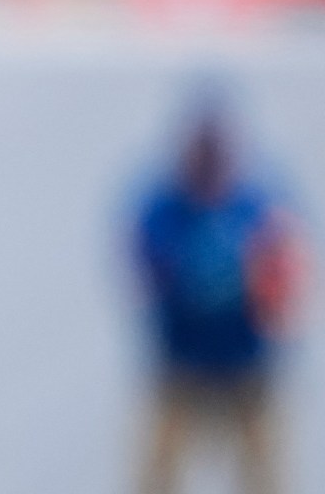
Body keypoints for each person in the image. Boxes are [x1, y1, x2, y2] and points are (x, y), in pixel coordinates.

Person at [133, 101, 303, 494]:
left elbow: (288, 273)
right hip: (182, 363)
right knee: (157, 471)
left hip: (248, 363)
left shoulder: (260, 207)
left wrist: (272, 283)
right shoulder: (163, 209)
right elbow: (147, 269)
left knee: (266, 472)